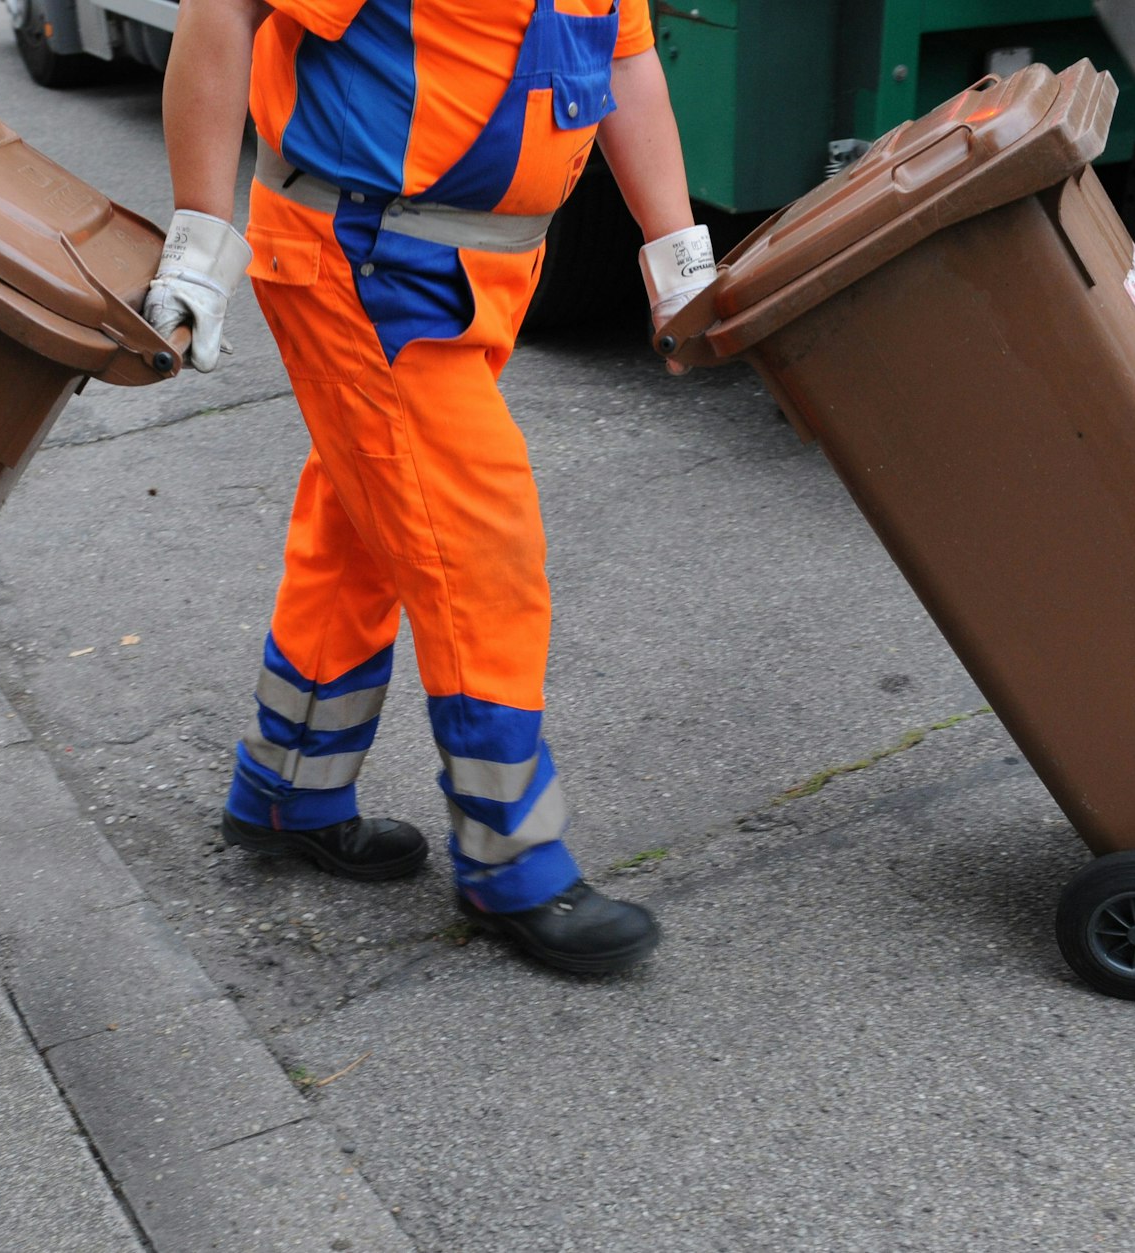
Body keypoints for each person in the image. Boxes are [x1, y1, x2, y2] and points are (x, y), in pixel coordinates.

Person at [145, 0, 714, 973]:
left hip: (468, 274)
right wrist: (199, 242)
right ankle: (512, 858)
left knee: (367, 523)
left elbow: (624, 66)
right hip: (366, 266)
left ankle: (288, 788)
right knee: (477, 545)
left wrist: (677, 261)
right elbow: (223, 9)